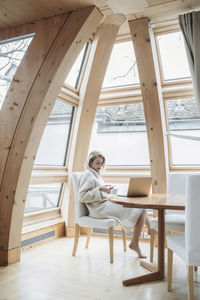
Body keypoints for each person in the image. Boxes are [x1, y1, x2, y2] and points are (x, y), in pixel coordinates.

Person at [79, 150, 150, 258]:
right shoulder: (88, 174)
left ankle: (142, 236)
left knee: (140, 208)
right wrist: (100, 189)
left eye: (101, 163)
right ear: (90, 163)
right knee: (140, 209)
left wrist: (104, 188)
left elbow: (95, 189)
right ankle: (147, 233)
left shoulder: (96, 174)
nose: (100, 165)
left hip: (103, 204)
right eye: (97, 163)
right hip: (98, 209)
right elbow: (82, 196)